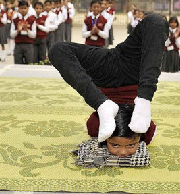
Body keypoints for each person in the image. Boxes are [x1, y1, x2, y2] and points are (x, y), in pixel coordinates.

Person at [48, 12, 166, 153]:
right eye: (131, 145)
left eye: (114, 145)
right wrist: (145, 97)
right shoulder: (147, 131)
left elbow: (94, 125)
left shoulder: (95, 127)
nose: (123, 153)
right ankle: (144, 100)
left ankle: (103, 105)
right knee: (156, 21)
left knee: (57, 50)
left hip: (103, 75)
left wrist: (99, 103)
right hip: (134, 71)